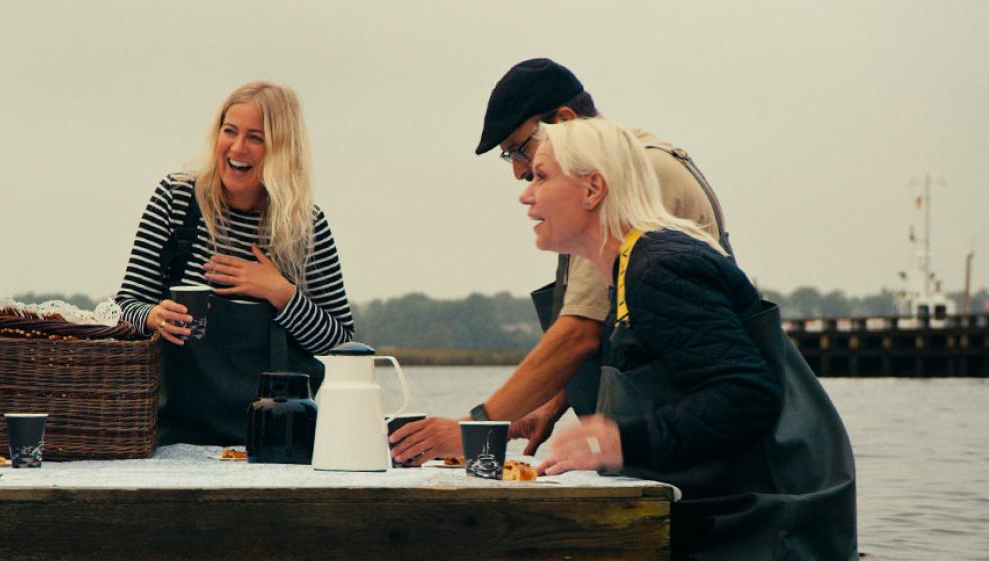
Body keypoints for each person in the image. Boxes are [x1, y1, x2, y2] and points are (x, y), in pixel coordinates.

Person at [521, 117, 857, 561]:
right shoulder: (630, 267)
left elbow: (746, 394)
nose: (525, 192)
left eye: (540, 176)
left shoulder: (659, 270)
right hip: (734, 531)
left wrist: (617, 441)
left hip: (772, 544)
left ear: (593, 189)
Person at [391, 58, 730, 465]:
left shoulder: (626, 174)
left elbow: (580, 334)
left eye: (520, 150)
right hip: (675, 444)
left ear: (565, 120)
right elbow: (630, 324)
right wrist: (551, 404)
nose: (519, 175)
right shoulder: (631, 161)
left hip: (698, 460)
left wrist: (473, 431)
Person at [115, 80, 355, 446]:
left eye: (256, 137)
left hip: (274, 440)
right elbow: (123, 308)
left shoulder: (306, 226)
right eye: (230, 131)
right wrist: (153, 317)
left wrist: (280, 292)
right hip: (172, 436)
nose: (238, 147)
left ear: (282, 149)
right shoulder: (176, 199)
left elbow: (338, 340)